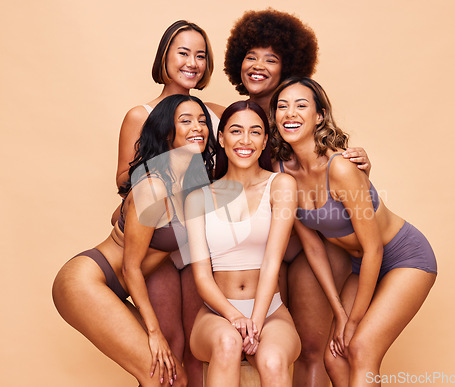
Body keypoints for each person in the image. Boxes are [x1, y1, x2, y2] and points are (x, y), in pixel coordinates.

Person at [224, 9, 371, 386]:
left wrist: (362, 166)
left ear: (288, 66)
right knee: (263, 350)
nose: (257, 66)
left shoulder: (298, 118)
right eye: (250, 56)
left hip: (308, 248)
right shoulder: (230, 120)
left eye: (271, 59)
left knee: (311, 346)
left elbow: (339, 178)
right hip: (254, 253)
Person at [269, 77, 437, 387]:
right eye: (282, 106)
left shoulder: (341, 168)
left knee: (360, 347)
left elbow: (374, 249)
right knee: (335, 356)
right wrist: (340, 313)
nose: (290, 113)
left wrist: (354, 320)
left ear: (319, 116)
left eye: (301, 105)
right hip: (361, 266)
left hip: (404, 257)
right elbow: (314, 248)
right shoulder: (282, 173)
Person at [53, 94, 216, 387]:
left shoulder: (188, 183)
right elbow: (130, 267)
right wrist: (154, 332)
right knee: (159, 375)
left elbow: (116, 215)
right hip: (87, 282)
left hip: (112, 288)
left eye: (203, 121)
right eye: (186, 120)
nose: (198, 127)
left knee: (172, 377)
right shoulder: (153, 187)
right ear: (167, 131)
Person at [114, 20, 224, 386]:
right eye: (183, 52)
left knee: (196, 343)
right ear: (164, 56)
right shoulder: (141, 114)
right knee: (167, 343)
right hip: (159, 241)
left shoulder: (213, 112)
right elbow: (123, 180)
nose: (192, 62)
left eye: (201, 55)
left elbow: (256, 141)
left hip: (198, 240)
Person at [186, 101, 301, 387]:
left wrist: (256, 323)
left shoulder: (281, 186)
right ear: (222, 138)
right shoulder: (197, 198)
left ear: (265, 142)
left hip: (271, 312)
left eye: (255, 132)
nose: (245, 141)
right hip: (217, 314)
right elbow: (201, 277)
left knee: (272, 361)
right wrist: (236, 317)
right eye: (236, 131)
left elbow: (273, 262)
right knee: (227, 343)